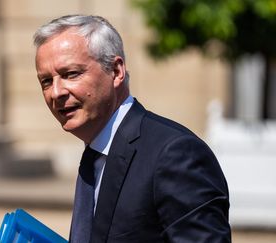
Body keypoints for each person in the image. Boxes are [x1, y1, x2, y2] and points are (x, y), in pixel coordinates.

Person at [33, 15, 231, 243]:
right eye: (46, 81)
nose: (56, 92)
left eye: (71, 74)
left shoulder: (175, 154)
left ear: (116, 71)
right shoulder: (94, 156)